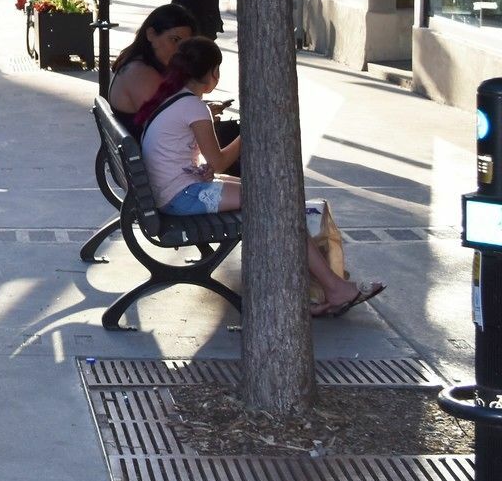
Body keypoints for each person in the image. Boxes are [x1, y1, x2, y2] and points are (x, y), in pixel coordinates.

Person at [142, 37, 383, 317]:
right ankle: (332, 286)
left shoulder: (171, 98)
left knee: (267, 195)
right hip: (180, 197)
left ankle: (322, 284)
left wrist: (202, 166)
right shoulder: (194, 107)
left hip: (172, 190)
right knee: (278, 204)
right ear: (212, 73)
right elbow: (219, 161)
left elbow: (189, 156)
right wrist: (249, 132)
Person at [106, 3, 198, 129]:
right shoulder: (141, 74)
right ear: (151, 34)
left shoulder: (142, 63)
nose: (179, 50)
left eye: (185, 44)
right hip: (146, 147)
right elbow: (164, 130)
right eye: (174, 40)